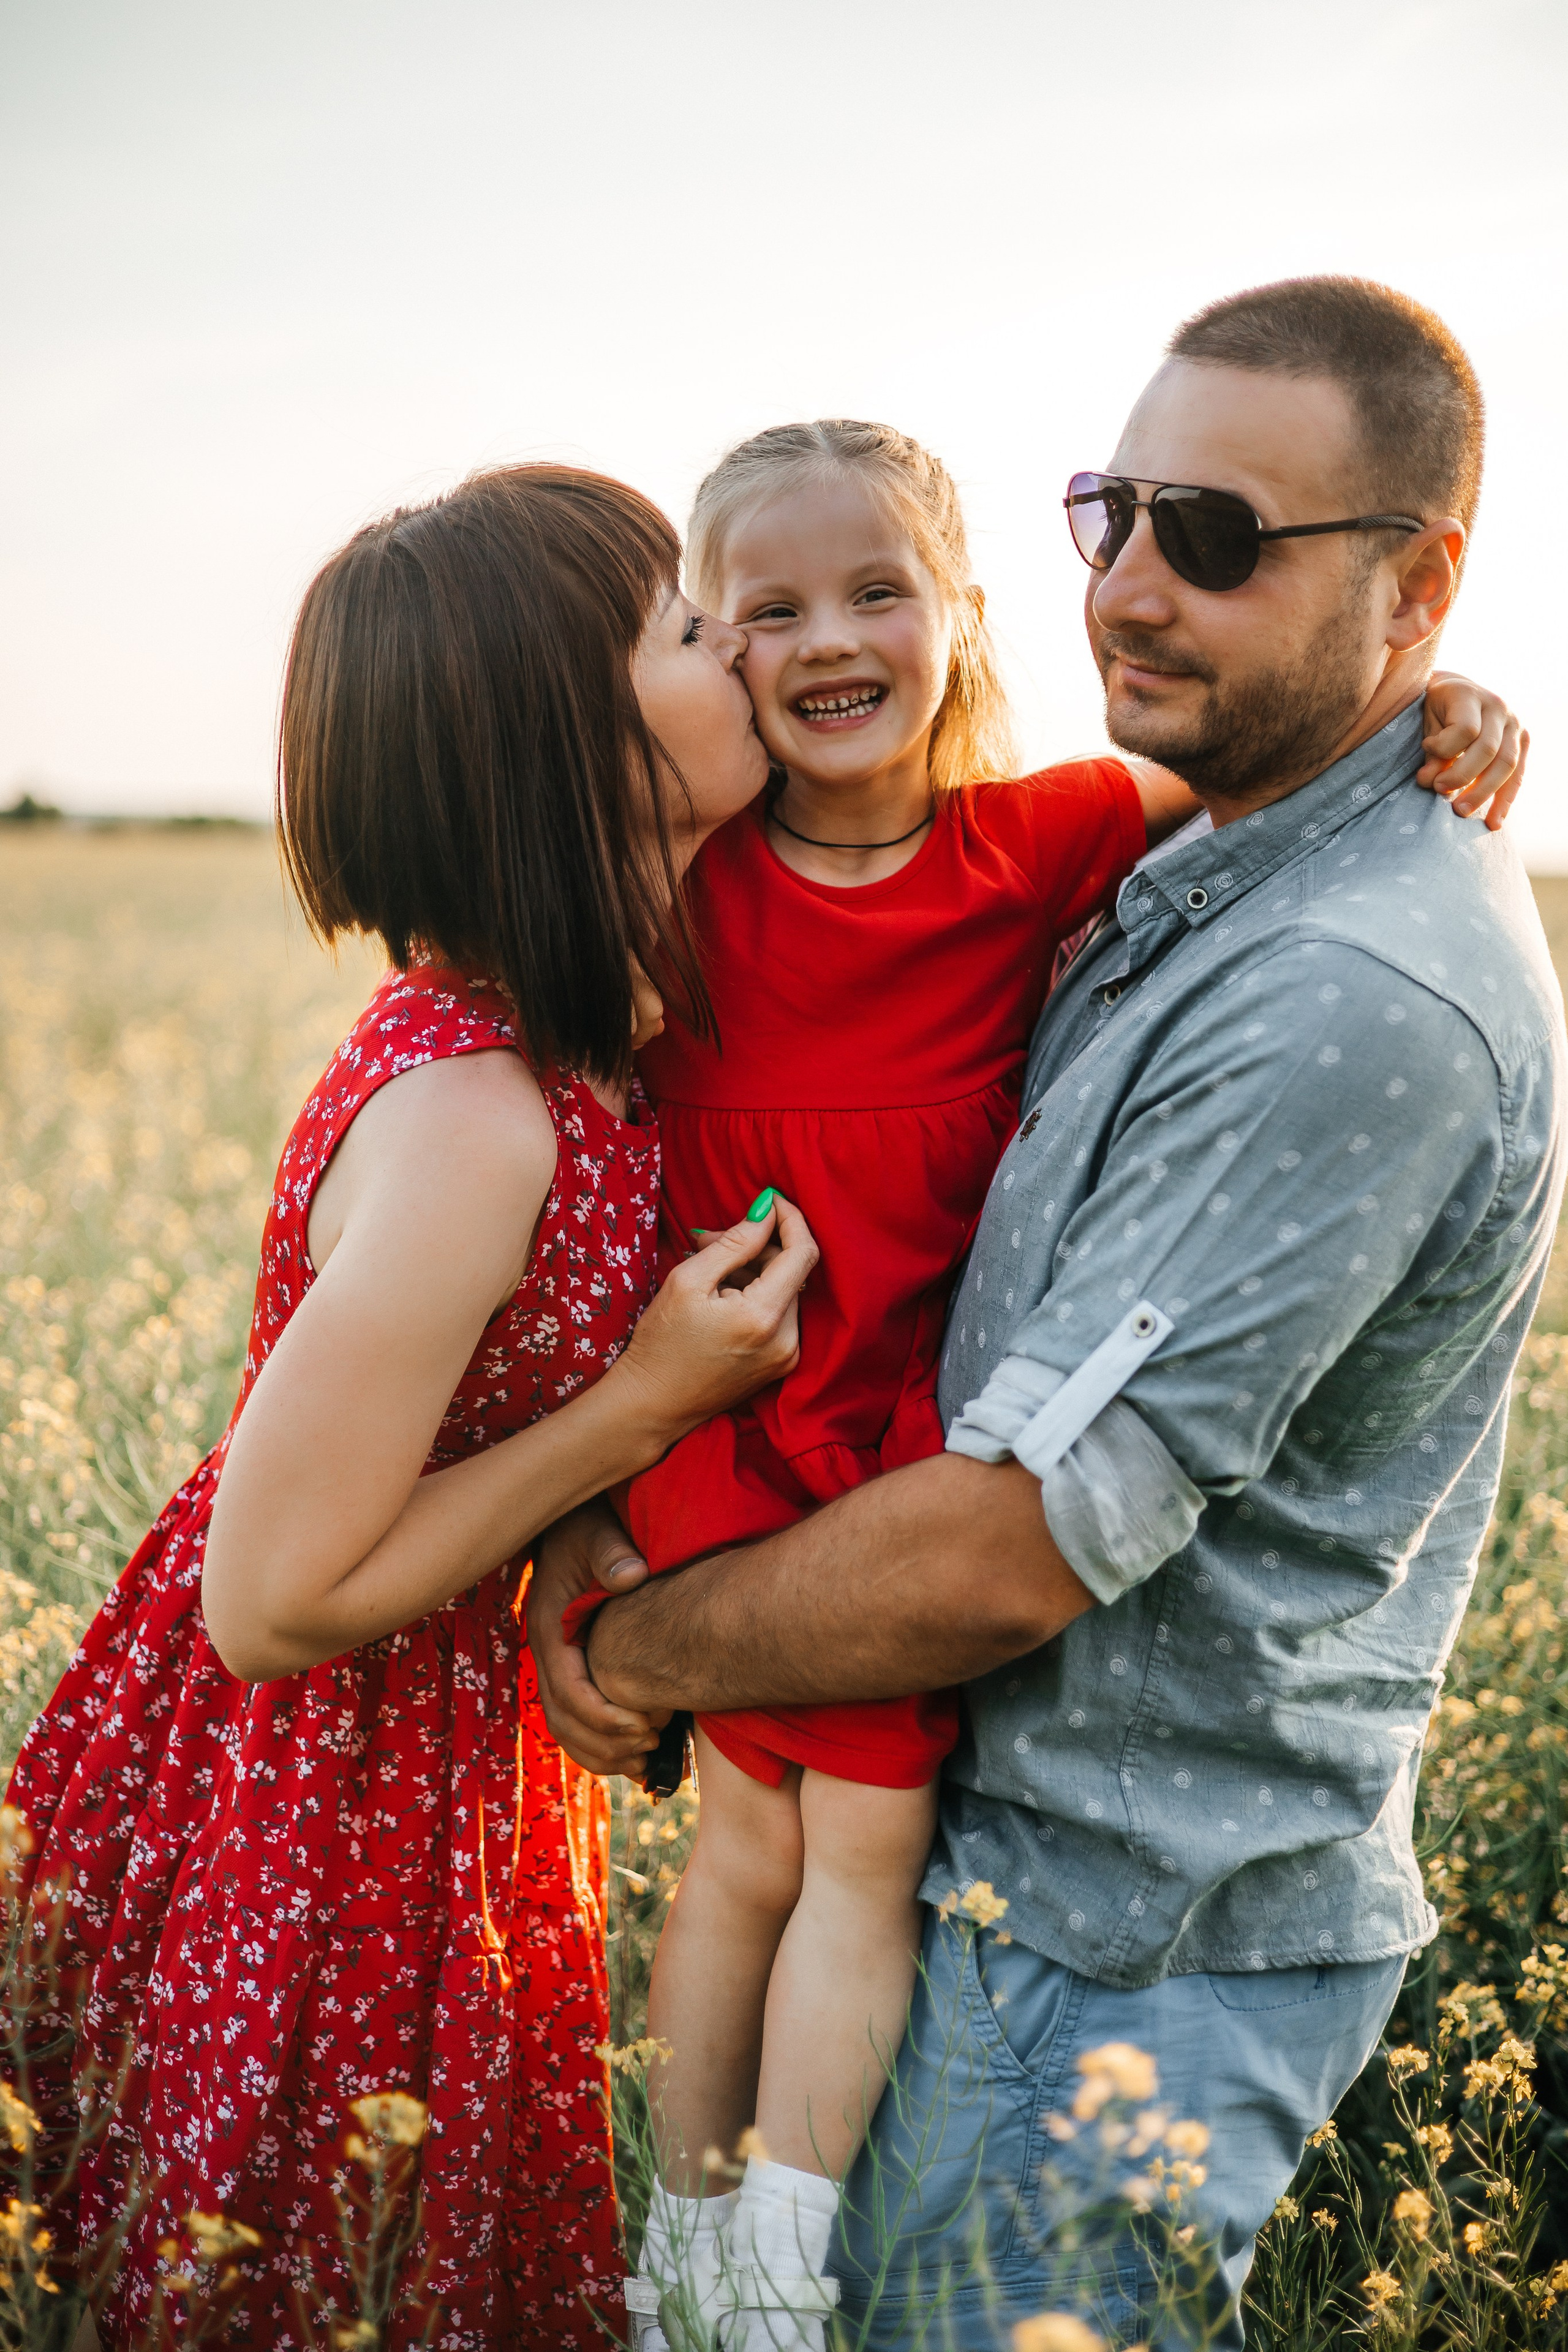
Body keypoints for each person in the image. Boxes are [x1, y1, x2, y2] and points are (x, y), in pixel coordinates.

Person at [532, 278, 1562, 2351]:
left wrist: (620, 1638)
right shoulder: (1205, 873)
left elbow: (1009, 1547)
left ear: (1419, 582)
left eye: (1222, 538)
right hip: (988, 1873)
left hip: (1109, 1953)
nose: (1136, 588)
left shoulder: (1343, 981)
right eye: (1119, 512)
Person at [6, 465, 817, 2351]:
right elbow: (267, 1600)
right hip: (305, 1791)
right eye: (690, 629)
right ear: (576, 745)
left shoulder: (581, 1046)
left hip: (425, 1753)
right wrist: (640, 1410)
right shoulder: (473, 1118)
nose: (741, 644)